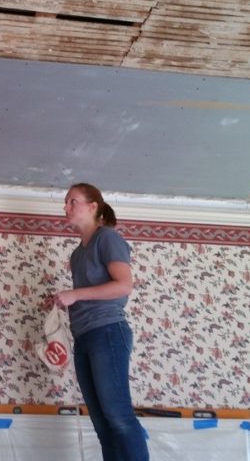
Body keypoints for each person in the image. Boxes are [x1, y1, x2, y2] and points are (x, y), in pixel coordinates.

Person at [53, 183, 149, 461]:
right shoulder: (77, 254)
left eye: (73, 201)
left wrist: (75, 294)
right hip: (84, 338)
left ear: (93, 206)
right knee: (103, 427)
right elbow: (88, 295)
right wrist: (67, 300)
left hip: (108, 331)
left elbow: (124, 285)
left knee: (118, 418)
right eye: (66, 202)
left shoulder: (107, 238)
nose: (66, 207)